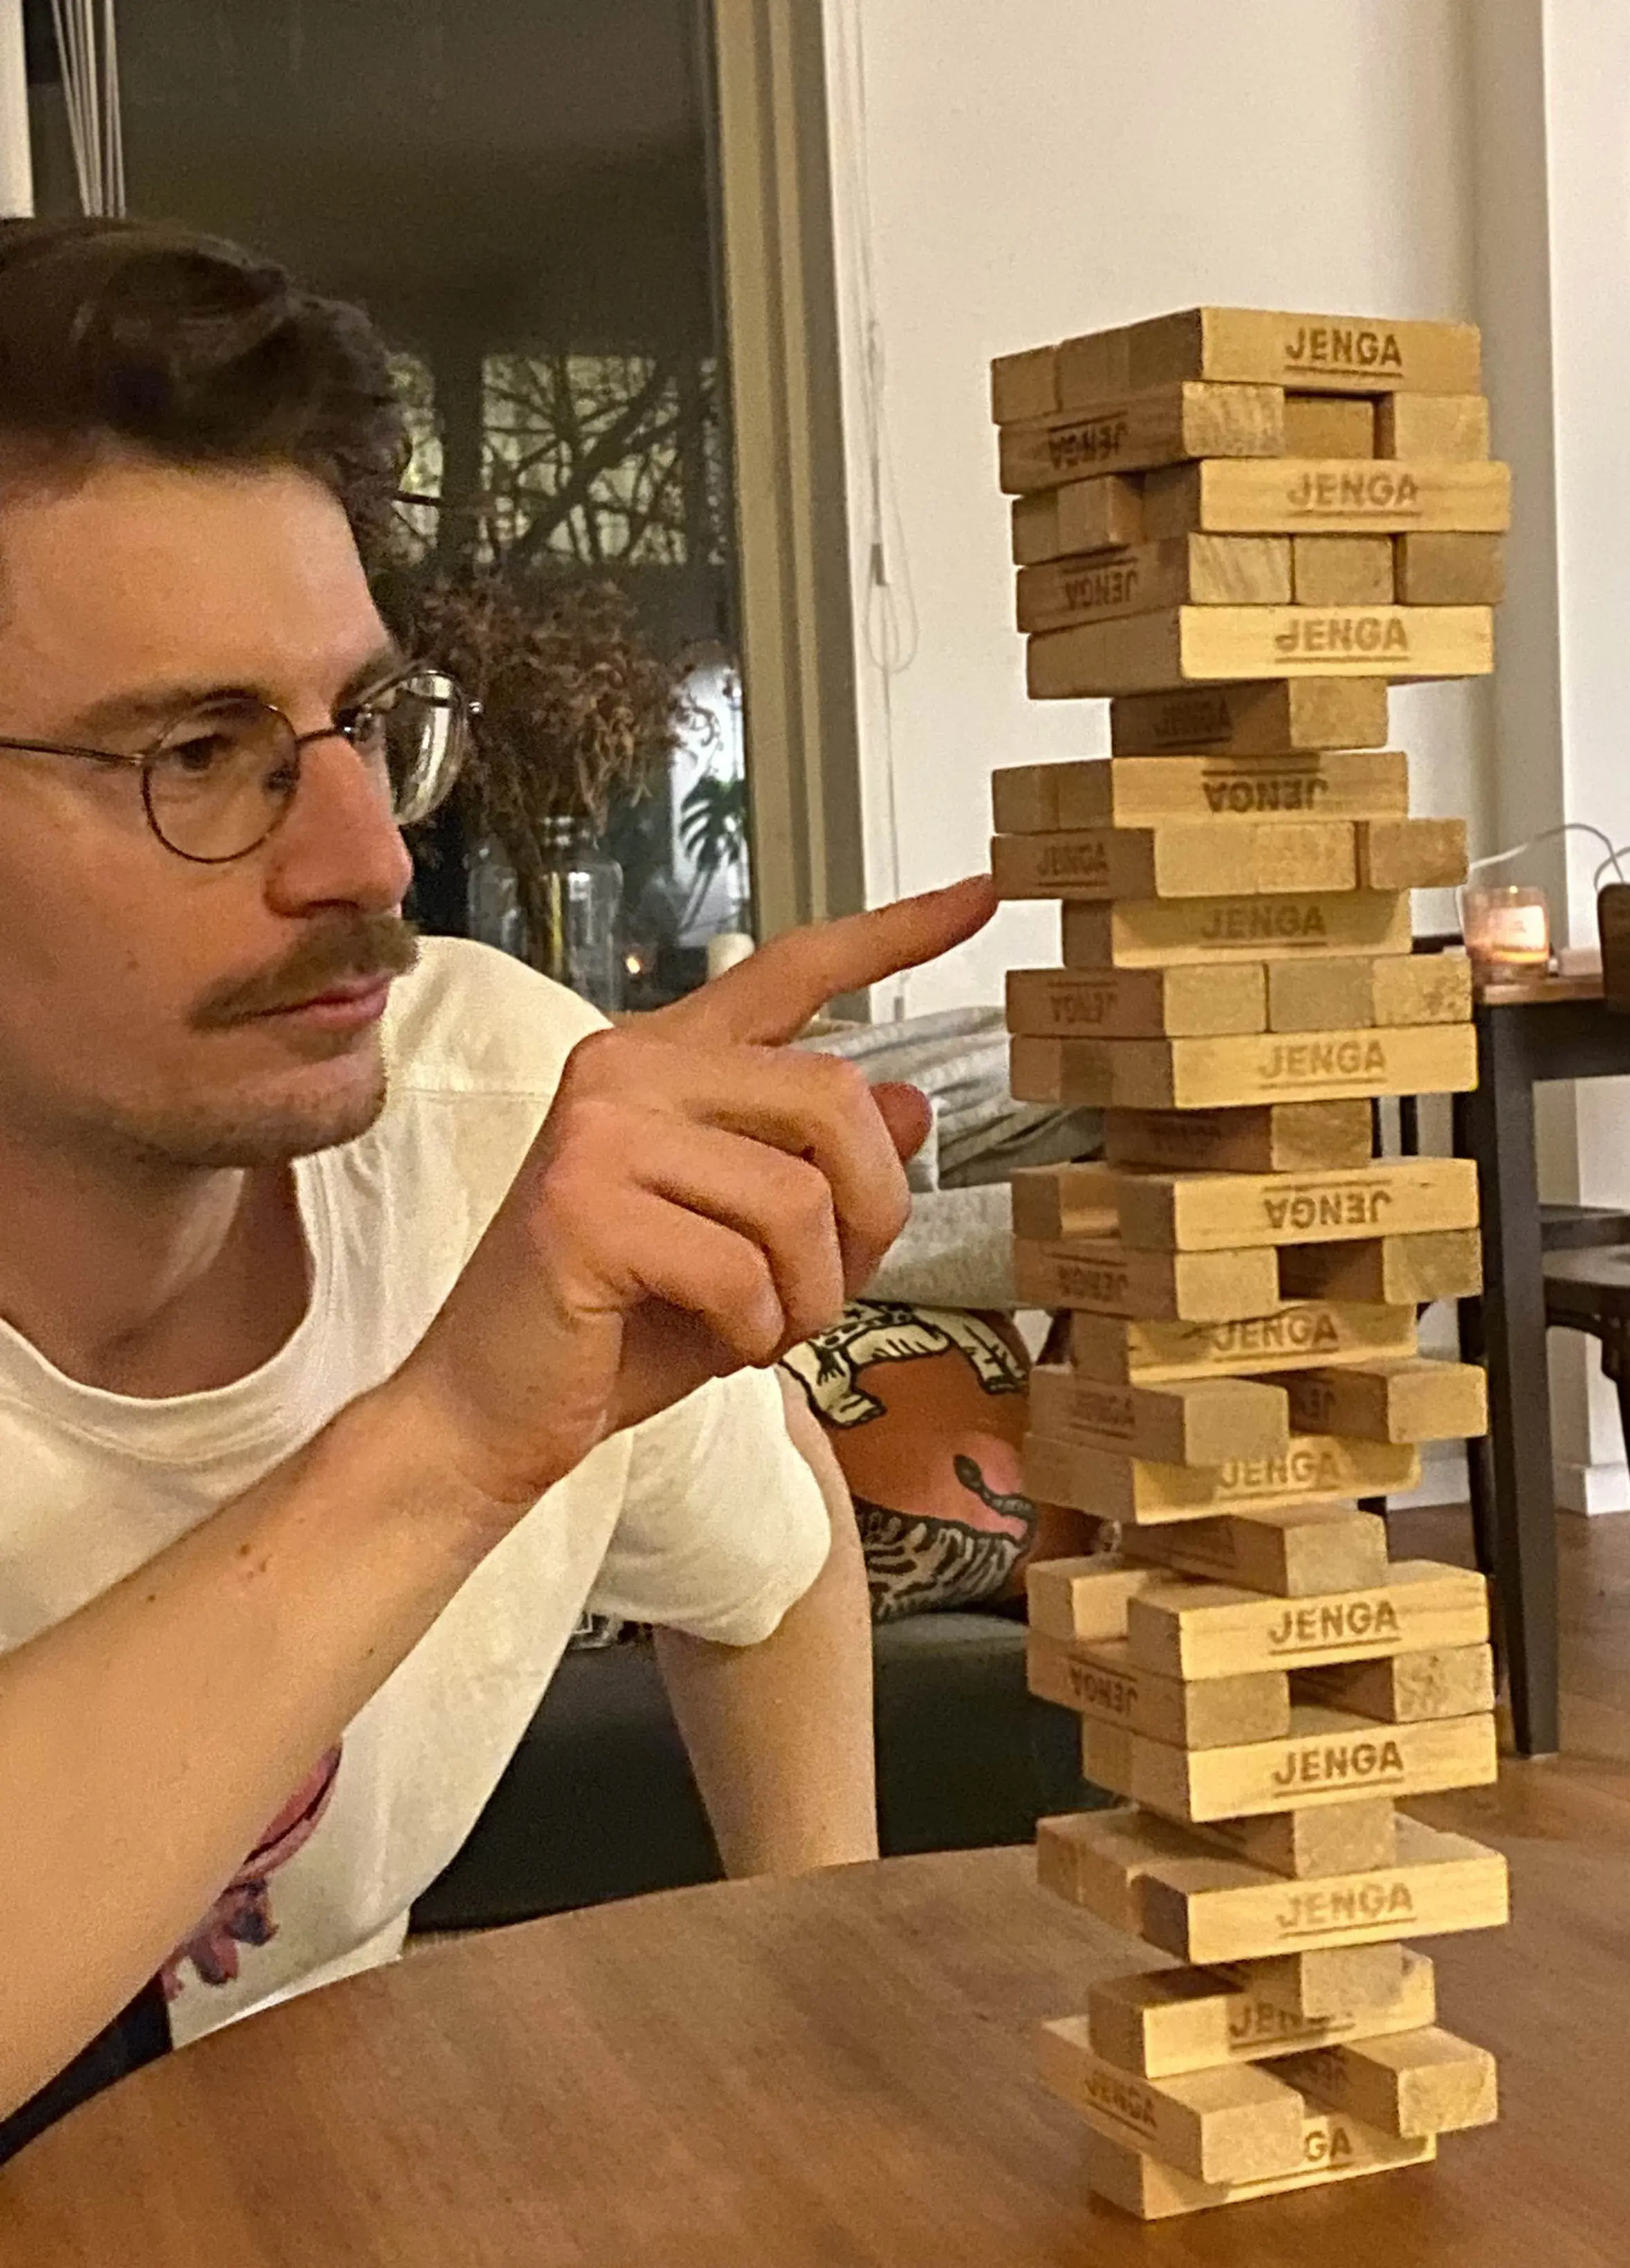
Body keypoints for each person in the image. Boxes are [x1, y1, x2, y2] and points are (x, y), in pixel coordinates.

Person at [0, 214, 996, 2153]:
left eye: (361, 727)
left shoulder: (486, 1116)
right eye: (198, 754)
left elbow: (774, 1554)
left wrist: (815, 2011)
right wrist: (447, 1443)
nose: (367, 862)